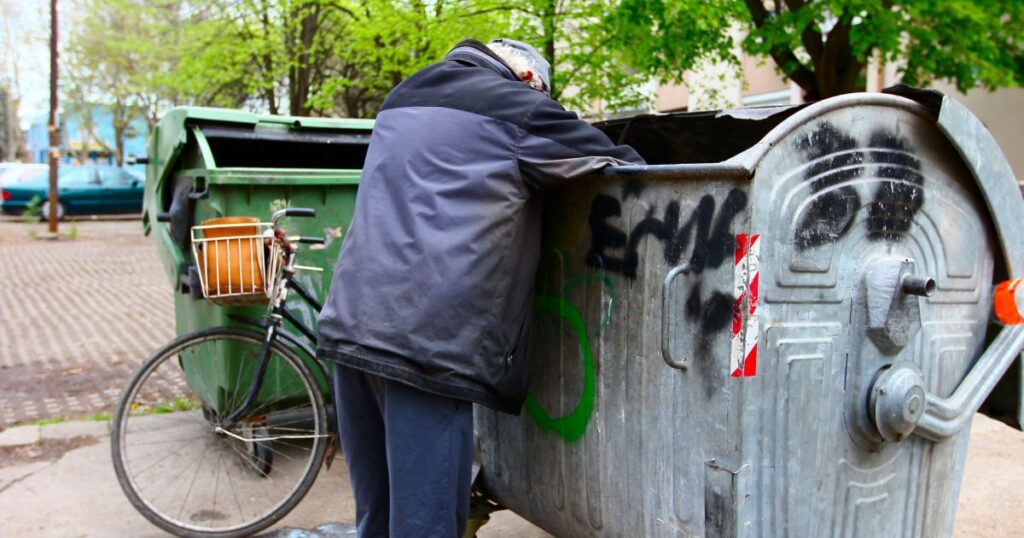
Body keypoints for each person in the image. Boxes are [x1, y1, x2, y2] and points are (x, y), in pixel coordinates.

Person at [317, 38, 645, 537]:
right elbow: (621, 162)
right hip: (427, 348)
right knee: (425, 526)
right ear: (530, 79)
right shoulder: (520, 108)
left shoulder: (404, 93)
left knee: (377, 519)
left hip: (350, 323)